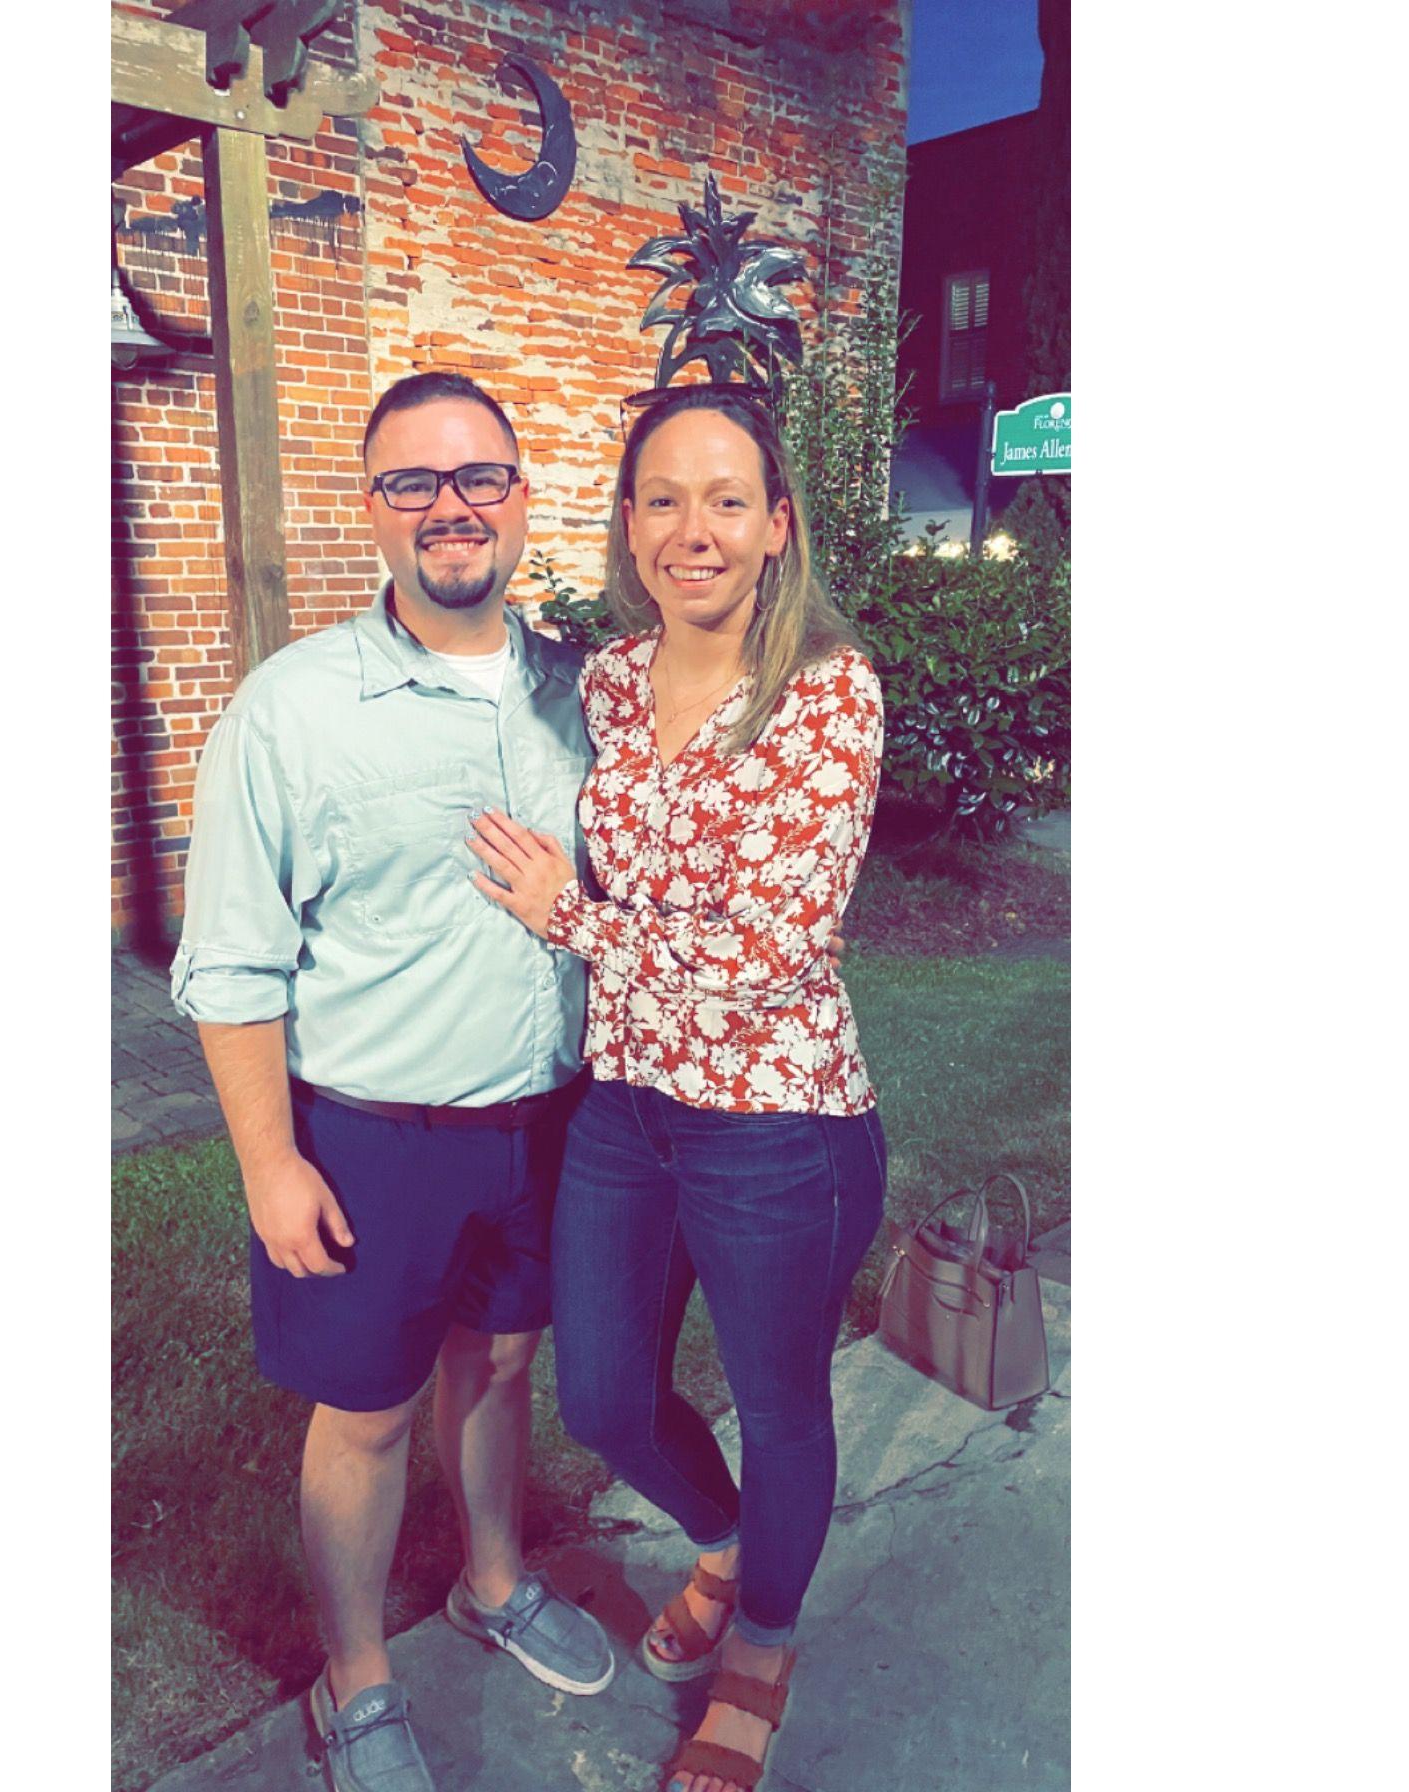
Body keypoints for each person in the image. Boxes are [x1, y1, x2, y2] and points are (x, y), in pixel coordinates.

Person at [170, 371, 616, 1792]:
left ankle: (493, 1583)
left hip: (543, 1122)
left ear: (521, 497)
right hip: (372, 1139)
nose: (449, 507)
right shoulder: (291, 711)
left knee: (501, 1363)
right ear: (373, 509)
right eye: (412, 482)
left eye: (478, 476)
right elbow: (232, 960)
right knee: (362, 1412)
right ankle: (354, 1681)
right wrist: (268, 1164)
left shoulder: (583, 694)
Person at [467, 383, 887, 1792]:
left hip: (777, 1118)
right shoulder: (608, 680)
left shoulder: (826, 691)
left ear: (779, 525)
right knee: (602, 1398)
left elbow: (774, 954)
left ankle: (762, 1642)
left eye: (725, 499)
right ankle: (723, 1544)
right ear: (629, 522)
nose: (691, 529)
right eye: (662, 498)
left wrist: (571, 919)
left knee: (779, 1407)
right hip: (629, 1103)